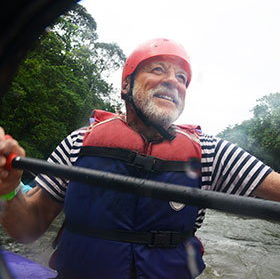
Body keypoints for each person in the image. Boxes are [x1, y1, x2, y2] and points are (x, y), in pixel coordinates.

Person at [0, 38, 279, 279]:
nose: (173, 81)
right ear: (126, 85)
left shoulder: (210, 152)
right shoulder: (79, 142)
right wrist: (9, 189)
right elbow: (27, 227)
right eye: (158, 70)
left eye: (182, 78)